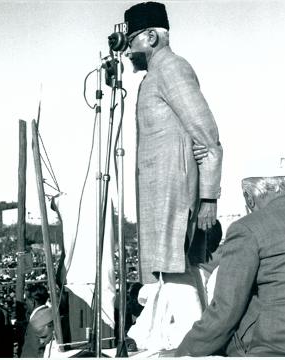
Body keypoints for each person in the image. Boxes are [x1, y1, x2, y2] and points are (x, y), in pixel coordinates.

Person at [122, 1, 223, 346]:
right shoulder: (155, 75)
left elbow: (208, 138)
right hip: (161, 193)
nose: (128, 51)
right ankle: (199, 343)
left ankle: (200, 346)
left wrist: (208, 197)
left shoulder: (172, 69)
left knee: (174, 268)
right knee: (175, 270)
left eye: (132, 41)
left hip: (174, 192)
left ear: (151, 37)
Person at [176, 176, 285, 356]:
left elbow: (225, 312)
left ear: (249, 198)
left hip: (271, 347)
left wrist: (183, 354)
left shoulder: (248, 228)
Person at [21, 284, 53, 358]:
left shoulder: (36, 322)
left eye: (26, 300)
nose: (25, 304)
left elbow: (36, 350)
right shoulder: (49, 313)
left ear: (32, 301)